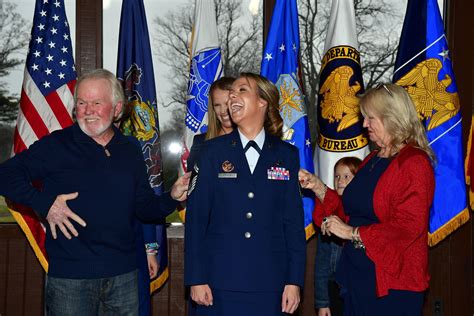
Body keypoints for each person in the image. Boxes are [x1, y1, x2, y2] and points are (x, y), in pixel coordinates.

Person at [0, 69, 190, 315]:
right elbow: (5, 175)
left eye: (97, 103)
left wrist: (172, 197)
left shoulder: (130, 149)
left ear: (117, 108)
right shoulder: (57, 145)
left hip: (125, 277)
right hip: (71, 280)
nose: (88, 111)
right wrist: (45, 203)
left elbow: (144, 207)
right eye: (81, 103)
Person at [299, 83, 435, 315]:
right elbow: (349, 212)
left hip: (392, 284)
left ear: (392, 118)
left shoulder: (414, 163)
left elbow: (407, 228)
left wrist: (352, 233)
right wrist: (320, 188)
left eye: (370, 118)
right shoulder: (372, 159)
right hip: (357, 277)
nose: (364, 125)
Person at [184, 73, 306, 315]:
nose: (232, 96)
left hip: (270, 284)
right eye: (232, 92)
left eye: (242, 90)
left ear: (262, 102)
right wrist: (196, 278)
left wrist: (294, 281)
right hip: (218, 282)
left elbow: (293, 225)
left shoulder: (286, 154)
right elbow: (196, 220)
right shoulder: (211, 152)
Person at [314, 157, 361, 316]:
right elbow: (321, 265)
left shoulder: (365, 215)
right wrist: (322, 303)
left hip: (359, 286)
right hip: (335, 286)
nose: (340, 180)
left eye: (347, 176)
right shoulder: (329, 215)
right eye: (337, 176)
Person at [186, 76, 235, 172]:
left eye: (227, 103)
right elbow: (191, 182)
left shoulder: (252, 140)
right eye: (217, 105)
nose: (223, 111)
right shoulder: (200, 143)